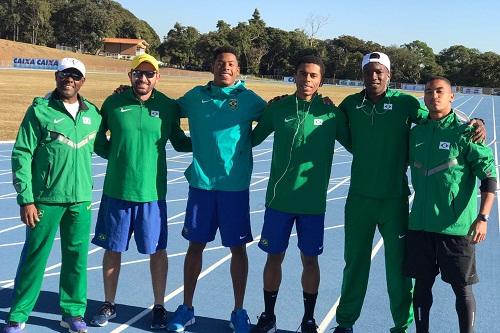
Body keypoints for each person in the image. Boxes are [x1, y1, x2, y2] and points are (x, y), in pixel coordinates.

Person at [333, 52, 485, 333]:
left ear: (389, 75)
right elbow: (335, 126)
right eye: (369, 72)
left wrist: (475, 121)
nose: (374, 77)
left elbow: (439, 116)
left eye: (380, 72)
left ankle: (401, 327)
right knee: (354, 265)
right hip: (359, 201)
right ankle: (345, 323)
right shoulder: (351, 104)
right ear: (362, 74)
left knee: (400, 271)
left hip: (395, 201)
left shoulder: (404, 103)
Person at [166, 46, 267, 333]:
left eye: (231, 64)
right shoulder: (195, 97)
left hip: (234, 188)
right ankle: (186, 309)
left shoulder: (249, 100)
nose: (226, 67)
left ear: (238, 70)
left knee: (238, 249)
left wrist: (250, 140)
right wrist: (182, 143)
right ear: (212, 66)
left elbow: (273, 117)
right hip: (201, 185)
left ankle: (238, 311)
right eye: (221, 62)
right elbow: (166, 109)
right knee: (194, 246)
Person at [90, 54, 191, 330]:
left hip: (152, 195)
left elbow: (181, 143)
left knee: (157, 251)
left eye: (149, 74)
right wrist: (120, 157)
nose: (143, 79)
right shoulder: (113, 102)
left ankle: (159, 306)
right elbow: (99, 142)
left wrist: (212, 144)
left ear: (158, 77)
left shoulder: (168, 106)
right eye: (138, 74)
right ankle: (109, 303)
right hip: (117, 191)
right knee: (112, 250)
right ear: (130, 76)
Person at [249, 55, 350, 333]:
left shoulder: (331, 114)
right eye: (303, 73)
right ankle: (268, 315)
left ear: (321, 80)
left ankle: (308, 318)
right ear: (295, 75)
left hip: (312, 203)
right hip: (278, 201)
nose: (307, 80)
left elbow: (358, 145)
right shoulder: (278, 108)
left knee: (310, 260)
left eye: (313, 76)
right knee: (273, 258)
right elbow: (251, 138)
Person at [4, 58, 100, 333]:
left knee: (76, 259)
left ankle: (73, 312)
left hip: (80, 199)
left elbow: (105, 145)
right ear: (56, 76)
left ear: (83, 81)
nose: (69, 79)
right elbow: (22, 154)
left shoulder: (93, 113)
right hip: (45, 199)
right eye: (64, 74)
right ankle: (18, 314)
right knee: (34, 257)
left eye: (75, 75)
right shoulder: (40, 111)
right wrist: (26, 198)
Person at [404, 76, 496, 333]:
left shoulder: (466, 132)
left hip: (455, 228)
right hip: (421, 225)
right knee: (421, 287)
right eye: (429, 91)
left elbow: (489, 178)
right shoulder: (417, 133)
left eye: (440, 91)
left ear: (452, 96)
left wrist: (483, 217)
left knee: (462, 289)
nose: (434, 96)